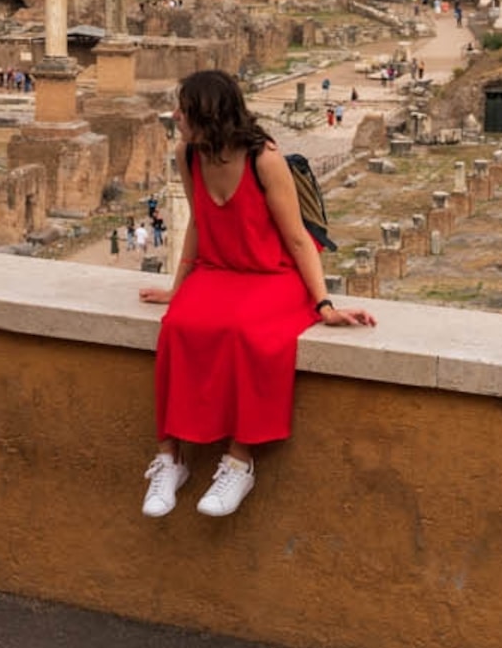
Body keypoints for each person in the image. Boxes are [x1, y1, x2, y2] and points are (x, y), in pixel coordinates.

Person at [138, 70, 374, 518]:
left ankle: (239, 462)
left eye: (183, 108)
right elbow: (197, 224)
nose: (175, 116)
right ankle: (171, 459)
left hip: (274, 275)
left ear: (207, 113)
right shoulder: (187, 153)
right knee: (178, 326)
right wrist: (177, 287)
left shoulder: (265, 159)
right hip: (219, 269)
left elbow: (299, 238)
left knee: (246, 334)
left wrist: (324, 304)